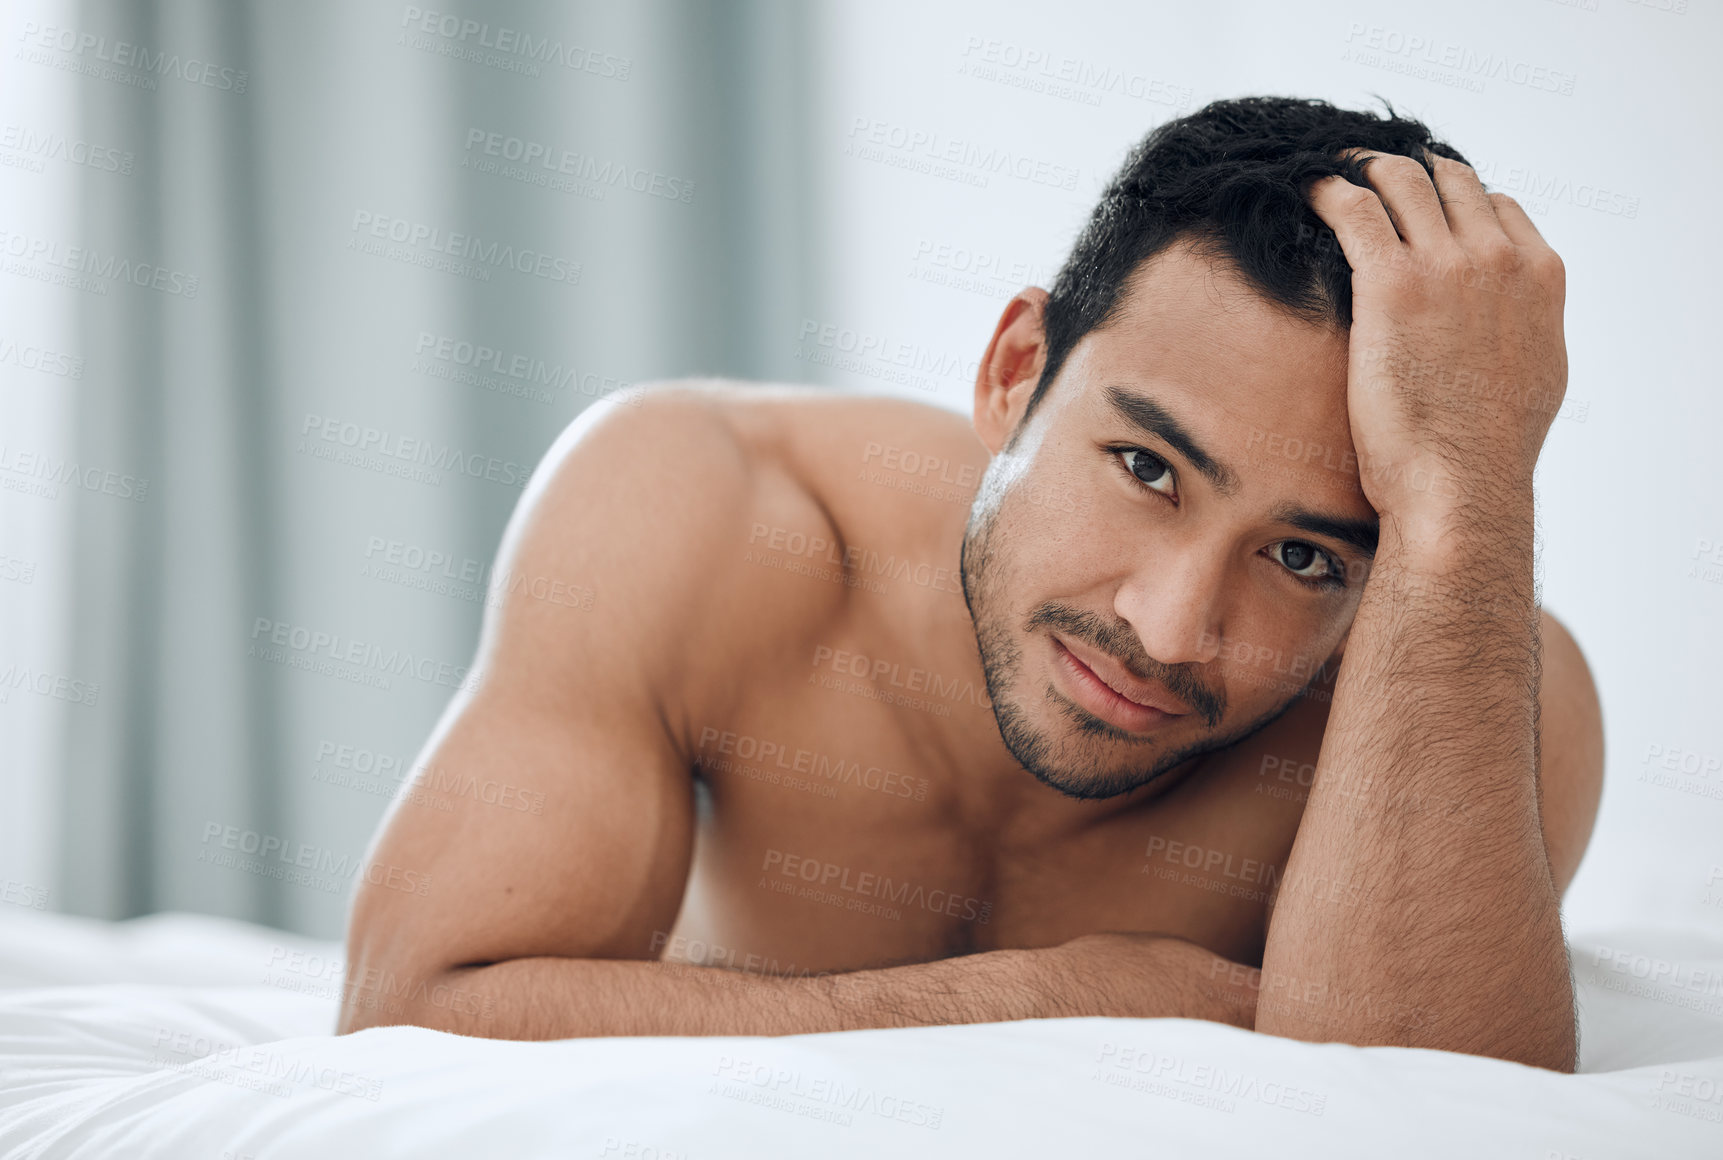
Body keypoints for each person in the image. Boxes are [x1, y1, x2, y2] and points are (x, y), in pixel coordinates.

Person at [338, 96, 1602, 1071]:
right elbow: (411, 1018)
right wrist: (1042, 1000)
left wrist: (1462, 500)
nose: (1167, 629)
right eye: (1146, 467)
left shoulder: (1482, 689)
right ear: (1013, 370)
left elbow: (1439, 1113)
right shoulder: (703, 504)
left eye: (1303, 555)